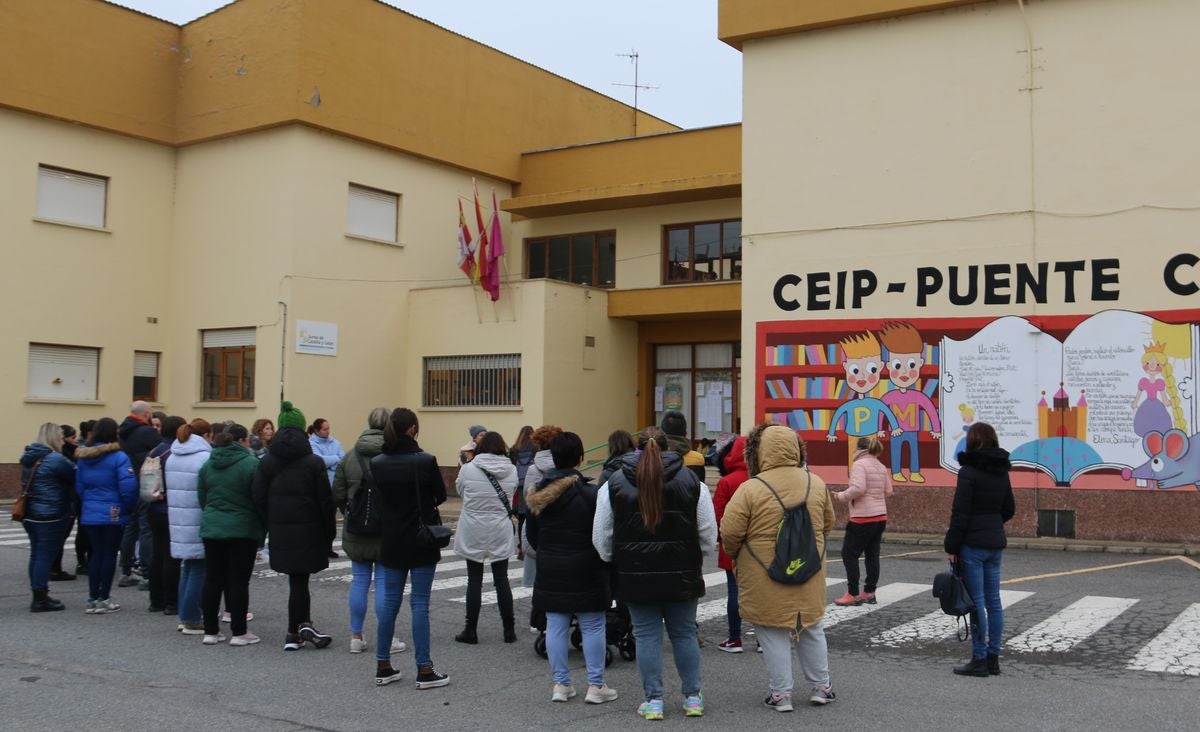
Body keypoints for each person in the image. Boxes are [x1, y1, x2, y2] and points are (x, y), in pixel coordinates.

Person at [592, 428, 717, 721]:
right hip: (682, 570)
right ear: (669, 448)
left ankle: (654, 701)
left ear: (637, 450)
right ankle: (693, 697)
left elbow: (601, 534)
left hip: (634, 572)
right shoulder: (691, 481)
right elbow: (708, 531)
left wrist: (613, 559)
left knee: (646, 635)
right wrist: (699, 554)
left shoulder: (614, 482)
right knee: (685, 633)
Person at [720, 423, 837, 713]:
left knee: (772, 632)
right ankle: (822, 687)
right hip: (808, 569)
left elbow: (731, 534)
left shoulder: (751, 488)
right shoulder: (816, 482)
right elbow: (828, 523)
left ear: (759, 452)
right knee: (810, 627)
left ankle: (781, 695)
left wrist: (737, 557)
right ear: (796, 449)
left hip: (764, 574)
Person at [526, 431, 618, 705]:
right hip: (587, 566)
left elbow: (532, 537)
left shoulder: (537, 495)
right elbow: (604, 533)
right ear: (580, 458)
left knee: (555, 624)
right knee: (591, 625)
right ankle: (596, 685)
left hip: (551, 566)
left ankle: (561, 685)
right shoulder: (592, 495)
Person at [370, 408, 450, 689]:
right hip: (420, 538)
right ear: (413, 429)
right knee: (420, 604)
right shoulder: (425, 460)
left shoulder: (377, 462)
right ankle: (424, 668)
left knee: (390, 603)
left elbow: (379, 499)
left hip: (391, 539)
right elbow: (440, 495)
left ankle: (383, 665)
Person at [253, 401, 337, 651]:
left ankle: (301, 627)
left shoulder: (268, 461)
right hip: (309, 529)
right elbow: (325, 501)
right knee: (301, 581)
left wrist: (270, 520)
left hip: (280, 528)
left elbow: (257, 496)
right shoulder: (313, 462)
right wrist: (328, 534)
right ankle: (295, 630)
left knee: (296, 580)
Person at [331, 407, 406, 656]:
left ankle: (356, 636)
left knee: (360, 581)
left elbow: (338, 492)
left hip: (357, 527)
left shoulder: (351, 456)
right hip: (387, 527)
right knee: (385, 582)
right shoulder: (394, 454)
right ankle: (387, 637)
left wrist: (351, 510)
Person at [945, 422, 1016, 678]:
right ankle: (994, 659)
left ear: (973, 441)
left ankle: (979, 659)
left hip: (972, 545)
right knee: (994, 603)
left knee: (976, 604)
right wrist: (993, 523)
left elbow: (960, 513)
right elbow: (1009, 508)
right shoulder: (1002, 471)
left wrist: (951, 546)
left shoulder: (968, 471)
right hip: (995, 543)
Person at [198, 423, 265, 646]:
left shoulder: (208, 464)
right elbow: (258, 498)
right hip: (241, 528)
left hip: (212, 526)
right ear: (242, 441)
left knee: (212, 579)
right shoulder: (251, 464)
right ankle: (239, 631)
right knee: (238, 580)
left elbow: (202, 497)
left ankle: (210, 630)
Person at [453, 430, 518, 644]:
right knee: (502, 580)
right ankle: (509, 630)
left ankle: (470, 629)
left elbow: (461, 491)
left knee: (474, 580)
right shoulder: (512, 470)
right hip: (500, 526)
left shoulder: (468, 469)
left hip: (473, 527)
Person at [75, 417, 138, 613]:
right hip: (113, 509)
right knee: (109, 555)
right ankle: (104, 597)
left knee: (95, 554)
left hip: (90, 510)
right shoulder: (119, 457)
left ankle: (92, 598)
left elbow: (79, 487)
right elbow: (128, 487)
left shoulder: (83, 457)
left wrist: (89, 502)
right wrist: (128, 508)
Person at [20, 423, 76, 611]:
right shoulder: (55, 459)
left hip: (30, 513)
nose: (62, 440)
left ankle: (38, 593)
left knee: (36, 555)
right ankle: (40, 598)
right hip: (51, 513)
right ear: (54, 438)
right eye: (60, 437)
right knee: (44, 556)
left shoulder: (29, 458)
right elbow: (75, 476)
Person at [832, 435, 894, 606]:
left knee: (849, 553)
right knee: (872, 555)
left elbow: (858, 488)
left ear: (860, 449)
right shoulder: (880, 466)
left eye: (855, 448)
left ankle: (853, 593)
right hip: (880, 516)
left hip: (862, 517)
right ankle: (869, 592)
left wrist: (841, 496)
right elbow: (888, 491)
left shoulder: (859, 465)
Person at [168, 419, 213, 634]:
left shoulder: (172, 456)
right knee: (199, 569)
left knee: (188, 567)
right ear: (206, 435)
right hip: (198, 516)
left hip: (178, 517)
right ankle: (192, 617)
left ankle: (184, 614)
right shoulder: (204, 457)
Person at [117, 400, 161, 589]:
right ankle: (147, 573)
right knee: (146, 528)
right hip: (145, 482)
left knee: (130, 527)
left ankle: (126, 570)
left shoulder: (123, 431)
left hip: (128, 481)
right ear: (146, 415)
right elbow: (159, 453)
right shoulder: (147, 432)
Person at [522, 424, 562, 630]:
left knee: (540, 579)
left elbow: (526, 499)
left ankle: (538, 619)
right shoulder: (564, 464)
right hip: (562, 525)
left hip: (539, 525)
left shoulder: (533, 468)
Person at [711, 435, 748, 652]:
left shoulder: (727, 481)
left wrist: (720, 538)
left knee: (734, 591)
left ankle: (735, 638)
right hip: (760, 546)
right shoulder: (761, 478)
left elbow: (718, 515)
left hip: (732, 545)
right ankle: (763, 640)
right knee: (760, 592)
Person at [146, 416, 186, 614]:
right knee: (172, 557)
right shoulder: (175, 452)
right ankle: (172, 601)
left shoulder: (154, 451)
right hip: (171, 508)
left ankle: (156, 600)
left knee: (157, 554)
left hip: (154, 506)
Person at [308, 417, 344, 559]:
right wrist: (334, 459)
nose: (327, 431)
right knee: (320, 518)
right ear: (316, 430)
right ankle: (318, 546)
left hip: (334, 485)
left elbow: (343, 459)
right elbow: (319, 461)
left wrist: (331, 460)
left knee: (331, 519)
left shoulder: (335, 442)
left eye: (328, 428)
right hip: (320, 487)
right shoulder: (311, 443)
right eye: (324, 429)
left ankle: (328, 547)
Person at [49, 423, 79, 582]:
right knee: (59, 536)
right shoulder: (63, 457)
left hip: (54, 502)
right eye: (73, 437)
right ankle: (54, 569)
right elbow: (73, 476)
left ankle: (52, 567)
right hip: (62, 502)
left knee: (54, 538)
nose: (76, 440)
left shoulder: (44, 457)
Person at [73, 419, 97, 575]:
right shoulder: (88, 451)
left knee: (82, 530)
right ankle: (86, 561)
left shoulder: (77, 449)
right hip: (88, 497)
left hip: (82, 496)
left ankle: (83, 561)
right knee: (87, 531)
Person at [508, 425, 536, 558]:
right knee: (533, 517)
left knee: (521, 518)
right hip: (533, 485)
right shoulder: (536, 448)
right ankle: (533, 545)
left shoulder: (514, 449)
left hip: (519, 487)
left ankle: (521, 549)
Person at [660, 411, 706, 483]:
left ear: (661, 433)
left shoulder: (652, 458)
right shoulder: (698, 459)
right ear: (685, 433)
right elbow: (701, 488)